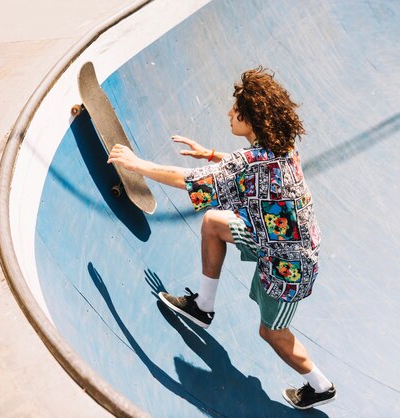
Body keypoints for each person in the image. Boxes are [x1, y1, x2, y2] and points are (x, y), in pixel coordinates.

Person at [107, 67, 336, 410]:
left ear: (252, 117)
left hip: (290, 265)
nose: (229, 113)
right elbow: (246, 167)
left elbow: (189, 181)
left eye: (235, 110)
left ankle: (320, 385)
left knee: (272, 333)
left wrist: (136, 165)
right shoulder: (281, 147)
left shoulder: (254, 159)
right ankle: (203, 307)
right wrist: (212, 155)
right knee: (213, 222)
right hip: (270, 236)